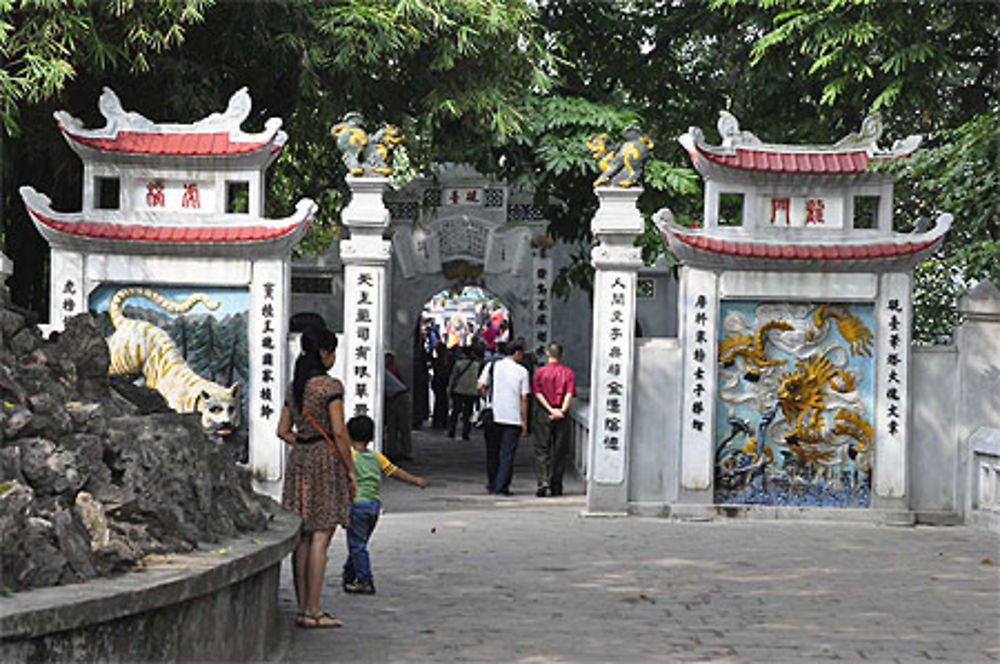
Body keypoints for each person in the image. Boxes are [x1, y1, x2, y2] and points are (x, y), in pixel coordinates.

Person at [276, 326, 356, 629]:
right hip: (324, 461)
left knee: (304, 537)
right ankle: (314, 609)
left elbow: (282, 431)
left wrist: (305, 444)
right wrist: (349, 468)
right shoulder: (329, 386)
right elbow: (338, 431)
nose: (333, 357)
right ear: (323, 353)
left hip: (300, 462)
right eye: (332, 351)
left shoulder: (293, 386)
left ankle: (302, 609)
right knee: (322, 535)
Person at [341, 415, 427, 595]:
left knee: (357, 544)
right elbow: (394, 472)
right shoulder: (376, 457)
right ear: (372, 437)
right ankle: (349, 573)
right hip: (373, 505)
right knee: (360, 543)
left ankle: (364, 580)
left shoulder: (348, 458)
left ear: (347, 435)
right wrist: (415, 480)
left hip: (356, 504)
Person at [478, 340, 529, 495]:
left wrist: (487, 399)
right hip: (512, 418)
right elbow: (524, 398)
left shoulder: (492, 366)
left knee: (492, 451)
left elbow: (480, 386)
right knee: (507, 454)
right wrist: (524, 421)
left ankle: (492, 483)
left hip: (493, 415)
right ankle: (502, 486)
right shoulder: (522, 371)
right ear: (517, 353)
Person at [531, 342, 576, 497]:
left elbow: (537, 393)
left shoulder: (539, 372)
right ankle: (556, 483)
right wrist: (561, 410)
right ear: (562, 355)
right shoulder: (568, 373)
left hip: (543, 413)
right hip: (561, 414)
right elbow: (569, 393)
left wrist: (550, 410)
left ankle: (543, 481)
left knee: (542, 449)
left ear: (547, 354)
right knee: (559, 450)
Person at [447, 345, 480, 440]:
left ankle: (452, 431)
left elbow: (453, 377)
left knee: (455, 412)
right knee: (467, 414)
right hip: (471, 391)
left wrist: (450, 388)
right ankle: (466, 433)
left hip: (459, 390)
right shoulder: (476, 365)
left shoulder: (458, 364)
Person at [384, 367, 413, 462]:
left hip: (399, 396)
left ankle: (405, 452)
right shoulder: (384, 372)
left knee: (403, 426)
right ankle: (393, 452)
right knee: (392, 426)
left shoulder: (380, 373)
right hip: (394, 397)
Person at [430, 341, 452, 429]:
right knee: (444, 401)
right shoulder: (447, 362)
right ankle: (443, 420)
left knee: (438, 402)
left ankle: (437, 421)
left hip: (437, 382)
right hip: (444, 382)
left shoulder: (436, 361)